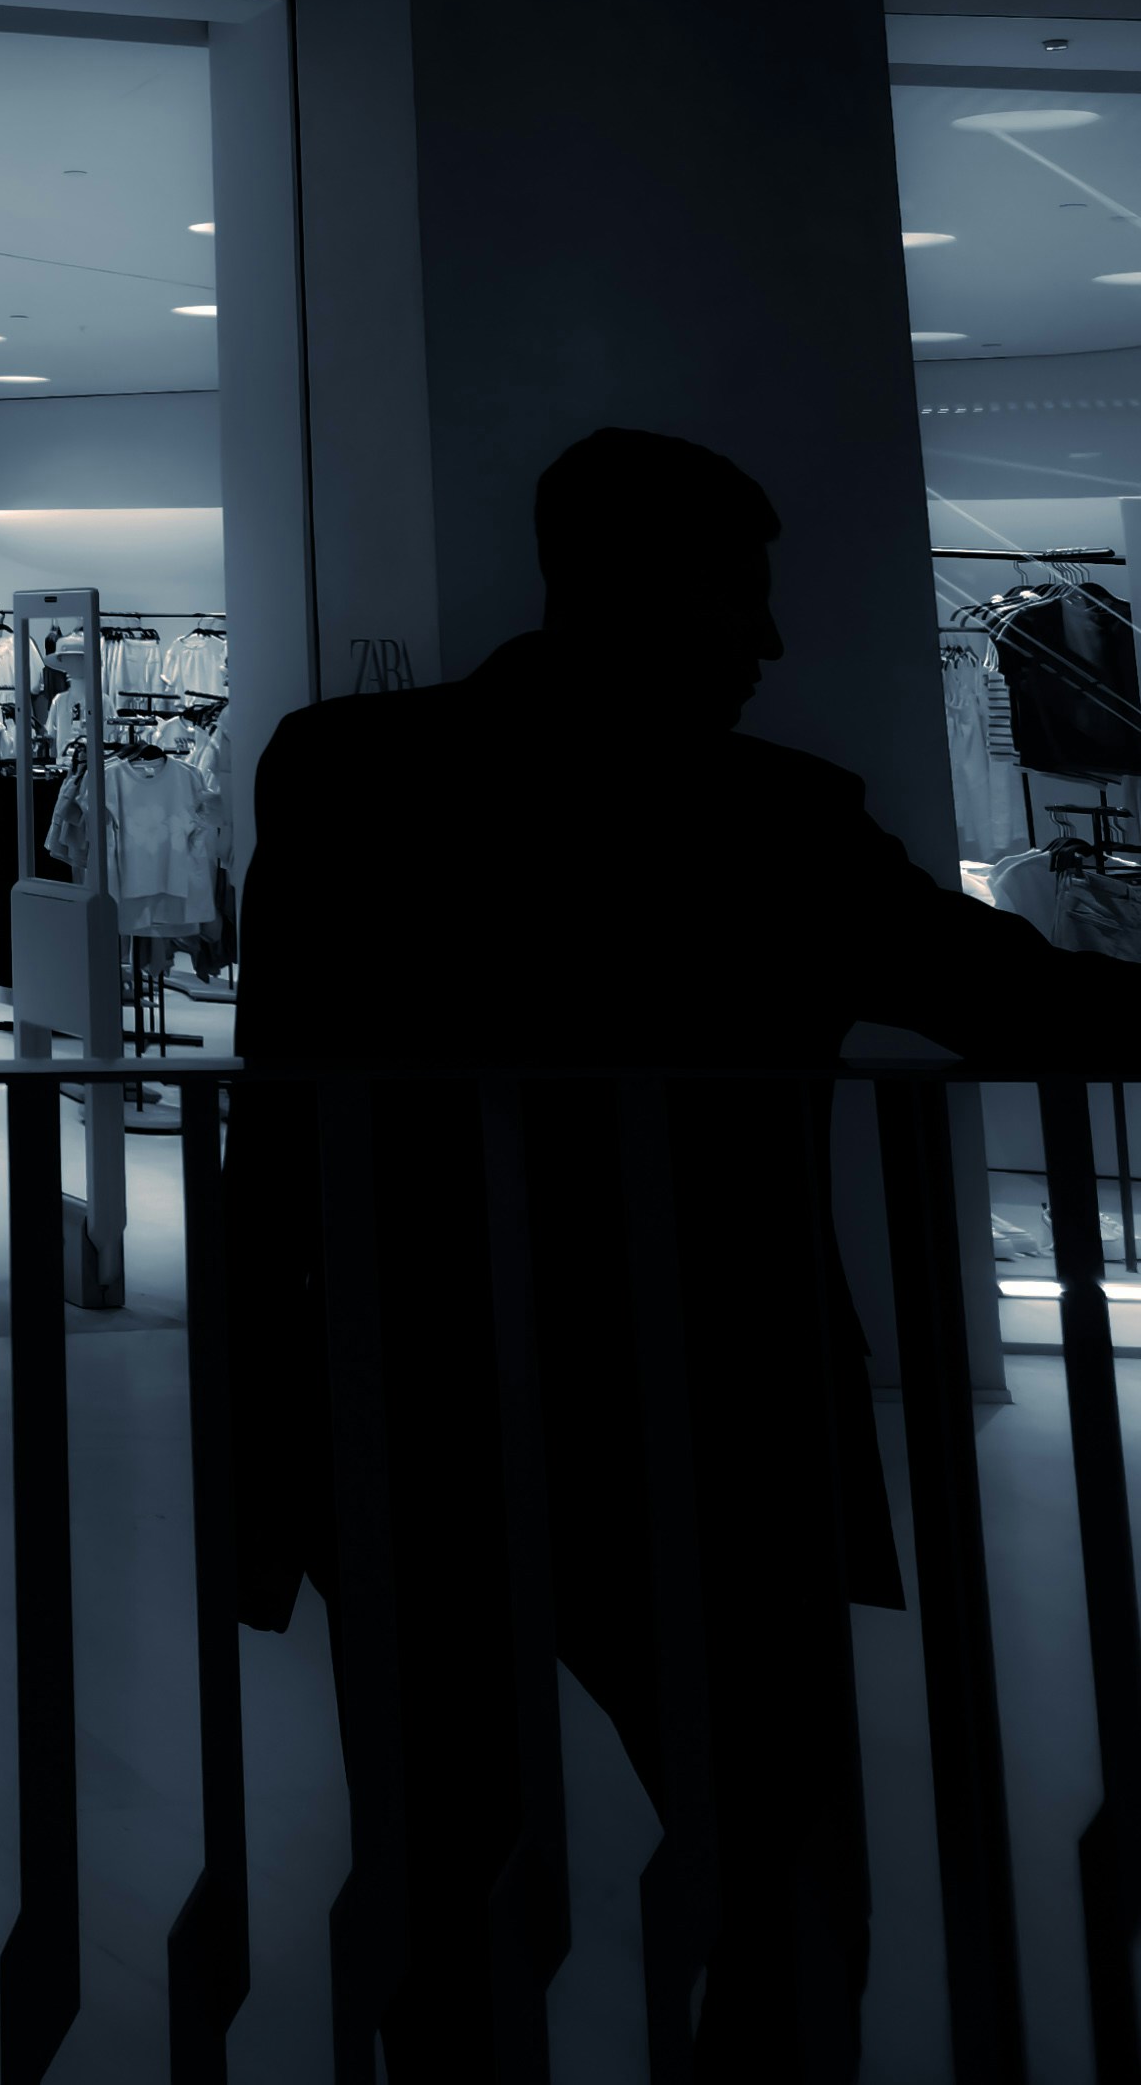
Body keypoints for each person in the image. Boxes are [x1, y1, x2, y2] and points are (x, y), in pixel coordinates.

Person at [228, 427, 1141, 2080]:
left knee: (450, 1879)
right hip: (708, 1416)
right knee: (788, 1872)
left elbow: (276, 1126)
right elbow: (1026, 1001)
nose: (771, 642)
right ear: (655, 595)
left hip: (421, 1405)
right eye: (744, 598)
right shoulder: (772, 827)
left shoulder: (344, 778)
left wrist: (268, 1437)